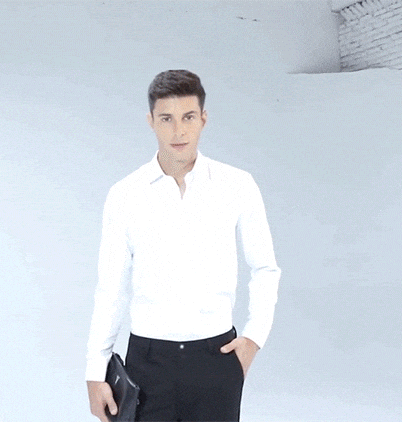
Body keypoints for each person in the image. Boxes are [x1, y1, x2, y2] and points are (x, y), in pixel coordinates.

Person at [85, 69, 281, 422]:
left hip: (216, 358)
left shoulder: (237, 185)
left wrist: (253, 338)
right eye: (167, 118)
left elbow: (265, 268)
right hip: (147, 363)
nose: (178, 131)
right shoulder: (125, 195)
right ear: (151, 121)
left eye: (188, 117)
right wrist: (95, 370)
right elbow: (110, 287)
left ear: (203, 119)